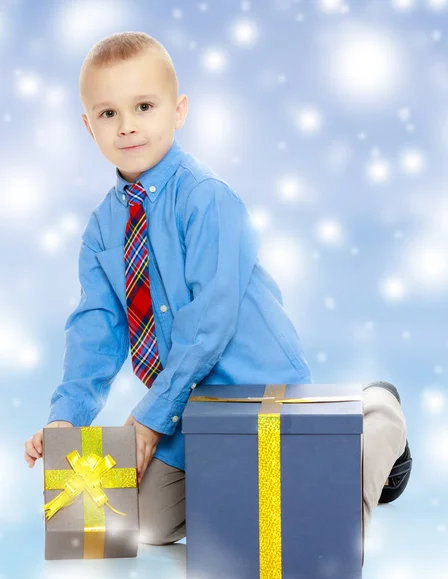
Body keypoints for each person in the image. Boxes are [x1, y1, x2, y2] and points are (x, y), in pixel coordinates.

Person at [24, 31, 412, 545]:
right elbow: (95, 329)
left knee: (299, 526)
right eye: (108, 113)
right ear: (87, 125)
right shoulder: (102, 228)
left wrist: (147, 421)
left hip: (254, 391)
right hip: (184, 411)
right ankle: (233, 488)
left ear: (178, 110)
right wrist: (64, 420)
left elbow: (207, 323)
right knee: (139, 524)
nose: (128, 126)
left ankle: (373, 418)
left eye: (143, 106)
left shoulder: (206, 198)